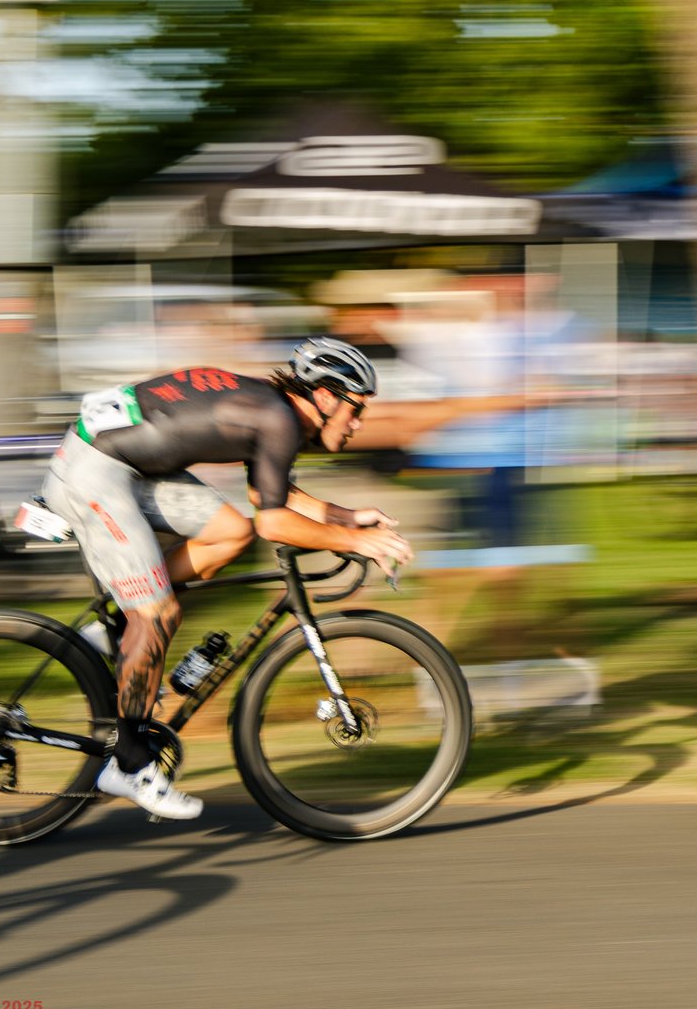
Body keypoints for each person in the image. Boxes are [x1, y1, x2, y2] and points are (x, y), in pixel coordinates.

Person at [37, 337, 414, 821]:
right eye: (355, 408)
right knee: (157, 615)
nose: (359, 422)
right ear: (324, 396)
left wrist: (344, 518)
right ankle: (127, 764)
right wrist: (357, 542)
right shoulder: (277, 418)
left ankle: (109, 632)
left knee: (229, 533)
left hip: (119, 464)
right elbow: (274, 522)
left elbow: (269, 498)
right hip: (96, 472)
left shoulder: (270, 410)